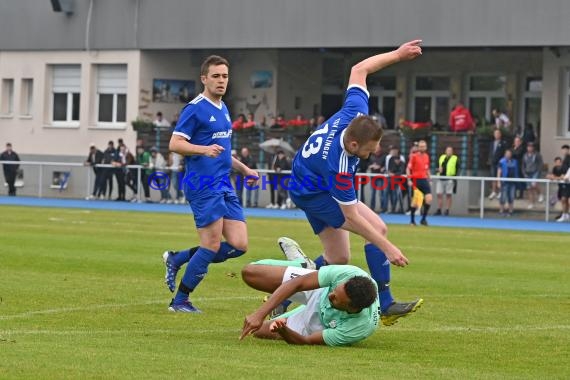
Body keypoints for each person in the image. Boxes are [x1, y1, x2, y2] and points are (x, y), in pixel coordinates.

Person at [287, 40, 424, 326]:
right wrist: (388, 247)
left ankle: (291, 287)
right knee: (377, 230)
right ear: (352, 143)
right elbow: (352, 217)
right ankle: (385, 303)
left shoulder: (354, 114)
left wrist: (398, 55)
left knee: (338, 257)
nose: (374, 153)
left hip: (310, 179)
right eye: (369, 150)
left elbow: (359, 69)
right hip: (312, 192)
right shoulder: (338, 165)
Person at [163, 55, 259, 313]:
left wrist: (244, 169)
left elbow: (224, 152)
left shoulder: (223, 108)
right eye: (215, 76)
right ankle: (180, 300)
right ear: (204, 78)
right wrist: (203, 150)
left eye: (225, 76)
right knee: (211, 245)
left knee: (239, 245)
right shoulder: (195, 108)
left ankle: (178, 258)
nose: (221, 81)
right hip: (203, 184)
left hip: (224, 184)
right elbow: (175, 144)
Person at [240, 238, 379, 346]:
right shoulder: (348, 274)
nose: (331, 295)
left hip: (320, 323)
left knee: (257, 332)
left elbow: (306, 342)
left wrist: (283, 330)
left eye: (336, 299)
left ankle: (288, 315)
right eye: (335, 291)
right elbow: (297, 283)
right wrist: (259, 314)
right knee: (250, 272)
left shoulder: (358, 328)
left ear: (352, 308)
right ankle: (303, 265)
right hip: (319, 290)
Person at [406, 140, 432, 226]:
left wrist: (429, 178)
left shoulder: (427, 156)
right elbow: (408, 169)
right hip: (415, 180)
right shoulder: (413, 156)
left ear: (426, 147)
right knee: (415, 201)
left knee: (429, 198)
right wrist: (409, 179)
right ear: (418, 147)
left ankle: (423, 219)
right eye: (421, 146)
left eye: (424, 146)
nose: (422, 148)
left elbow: (427, 168)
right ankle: (412, 221)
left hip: (424, 179)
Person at [434, 146, 460, 216]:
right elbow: (436, 168)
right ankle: (439, 209)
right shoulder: (441, 157)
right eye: (447, 150)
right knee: (439, 194)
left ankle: (447, 210)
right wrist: (438, 170)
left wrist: (455, 178)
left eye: (450, 151)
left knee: (448, 195)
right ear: (445, 151)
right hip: (440, 178)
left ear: (452, 152)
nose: (449, 152)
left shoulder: (455, 159)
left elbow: (458, 168)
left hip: (449, 179)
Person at [521, 142, 544, 209]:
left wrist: (539, 172)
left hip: (535, 172)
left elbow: (540, 164)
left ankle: (540, 194)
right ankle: (531, 203)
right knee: (529, 189)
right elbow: (523, 165)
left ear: (533, 148)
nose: (529, 148)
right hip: (527, 173)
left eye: (531, 147)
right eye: (528, 147)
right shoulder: (525, 155)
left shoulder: (537, 155)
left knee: (534, 185)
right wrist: (524, 173)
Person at [497, 149, 519, 216]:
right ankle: (501, 210)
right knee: (503, 196)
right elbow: (499, 171)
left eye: (509, 153)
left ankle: (510, 211)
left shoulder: (514, 162)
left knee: (511, 196)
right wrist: (498, 181)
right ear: (505, 154)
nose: (508, 155)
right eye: (507, 153)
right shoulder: (501, 161)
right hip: (504, 181)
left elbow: (516, 171)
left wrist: (517, 180)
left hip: (512, 182)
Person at [547, 157, 569, 222]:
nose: (558, 163)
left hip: (567, 186)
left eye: (559, 162)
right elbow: (552, 176)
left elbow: (564, 178)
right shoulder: (555, 168)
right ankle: (565, 214)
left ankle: (565, 214)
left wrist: (556, 178)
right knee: (564, 200)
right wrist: (554, 177)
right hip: (561, 186)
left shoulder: (565, 168)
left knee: (564, 199)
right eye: (556, 162)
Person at [488, 129, 507, 199]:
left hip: (500, 162)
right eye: (495, 133)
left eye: (498, 133)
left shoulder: (503, 143)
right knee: (493, 176)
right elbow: (490, 152)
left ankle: (500, 191)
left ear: (500, 134)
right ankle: (493, 191)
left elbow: (504, 153)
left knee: (500, 177)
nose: (496, 135)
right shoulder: (492, 143)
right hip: (493, 162)